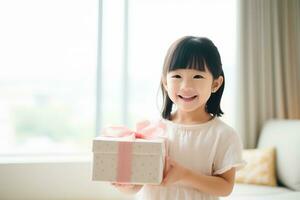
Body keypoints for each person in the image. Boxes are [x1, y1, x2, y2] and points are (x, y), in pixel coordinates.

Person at [112, 36, 245, 200]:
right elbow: (137, 186)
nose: (186, 86)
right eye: (176, 76)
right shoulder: (150, 130)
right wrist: (125, 185)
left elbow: (225, 187)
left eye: (197, 76)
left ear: (215, 84)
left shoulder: (224, 135)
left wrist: (185, 175)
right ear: (165, 83)